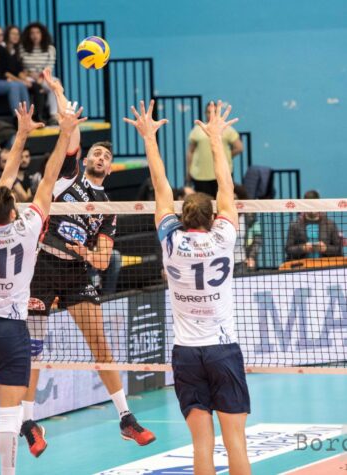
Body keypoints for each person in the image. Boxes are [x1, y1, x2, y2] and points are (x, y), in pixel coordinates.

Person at [21, 69, 155, 457]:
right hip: (42, 268)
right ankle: (29, 423)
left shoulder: (108, 208)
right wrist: (58, 90)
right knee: (33, 348)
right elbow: (71, 132)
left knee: (99, 343)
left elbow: (102, 258)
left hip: (76, 272)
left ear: (110, 169)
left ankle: (126, 418)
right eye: (97, 152)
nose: (100, 156)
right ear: (87, 159)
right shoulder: (68, 177)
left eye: (107, 156)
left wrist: (82, 251)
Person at [125, 99, 251, 475]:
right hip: (222, 350)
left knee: (201, 445)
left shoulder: (170, 240)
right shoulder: (224, 236)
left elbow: (161, 188)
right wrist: (216, 139)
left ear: (182, 218)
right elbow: (226, 185)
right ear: (213, 217)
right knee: (236, 442)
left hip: (186, 354)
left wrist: (149, 138)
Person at [0, 102, 86, 475]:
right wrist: (64, 132)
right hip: (12, 330)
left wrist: (20, 135)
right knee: (9, 415)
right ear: (12, 211)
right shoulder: (29, 226)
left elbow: (2, 185)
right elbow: (49, 178)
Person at [186, 101, 243, 198]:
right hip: (200, 176)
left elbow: (239, 147)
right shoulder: (197, 130)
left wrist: (225, 157)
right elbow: (190, 151)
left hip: (222, 174)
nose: (211, 114)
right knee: (204, 204)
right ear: (205, 113)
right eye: (209, 112)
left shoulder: (227, 129)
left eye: (214, 112)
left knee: (224, 200)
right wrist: (188, 171)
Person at [285, 189, 343, 260]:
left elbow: (339, 250)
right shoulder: (294, 225)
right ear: (304, 205)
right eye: (309, 205)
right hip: (302, 265)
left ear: (319, 204)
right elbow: (288, 249)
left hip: (325, 265)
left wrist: (326, 248)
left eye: (314, 204)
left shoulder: (330, 225)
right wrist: (303, 248)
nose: (312, 208)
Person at [19, 23, 57, 124]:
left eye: (37, 32)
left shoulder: (50, 49)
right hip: (28, 77)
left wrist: (41, 77)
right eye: (32, 33)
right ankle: (32, 115)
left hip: (44, 76)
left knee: (55, 85)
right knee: (32, 85)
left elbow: (49, 66)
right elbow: (20, 67)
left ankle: (53, 115)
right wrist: (31, 75)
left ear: (42, 34)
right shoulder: (22, 48)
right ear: (28, 35)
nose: (35, 35)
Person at [233, 184, 262, 274]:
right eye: (230, 199)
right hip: (224, 262)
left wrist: (251, 257)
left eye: (235, 199)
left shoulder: (250, 218)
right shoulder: (220, 218)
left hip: (242, 262)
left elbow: (257, 240)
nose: (233, 202)